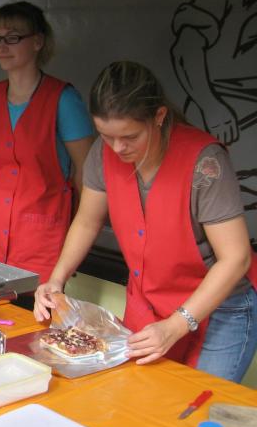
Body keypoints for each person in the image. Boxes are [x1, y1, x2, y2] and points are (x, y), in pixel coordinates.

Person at [34, 61, 257, 383]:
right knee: (141, 395)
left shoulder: (205, 163)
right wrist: (56, 280)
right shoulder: (103, 153)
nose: (117, 148)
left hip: (221, 308)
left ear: (159, 116)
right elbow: (86, 221)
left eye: (130, 136)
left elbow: (236, 258)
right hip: (150, 301)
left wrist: (176, 325)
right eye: (106, 136)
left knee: (199, 402)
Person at [0, 1, 94, 285]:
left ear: (37, 41)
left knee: (34, 310)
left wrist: (79, 232)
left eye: (13, 38)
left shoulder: (63, 99)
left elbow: (87, 173)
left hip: (40, 239)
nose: (2, 46)